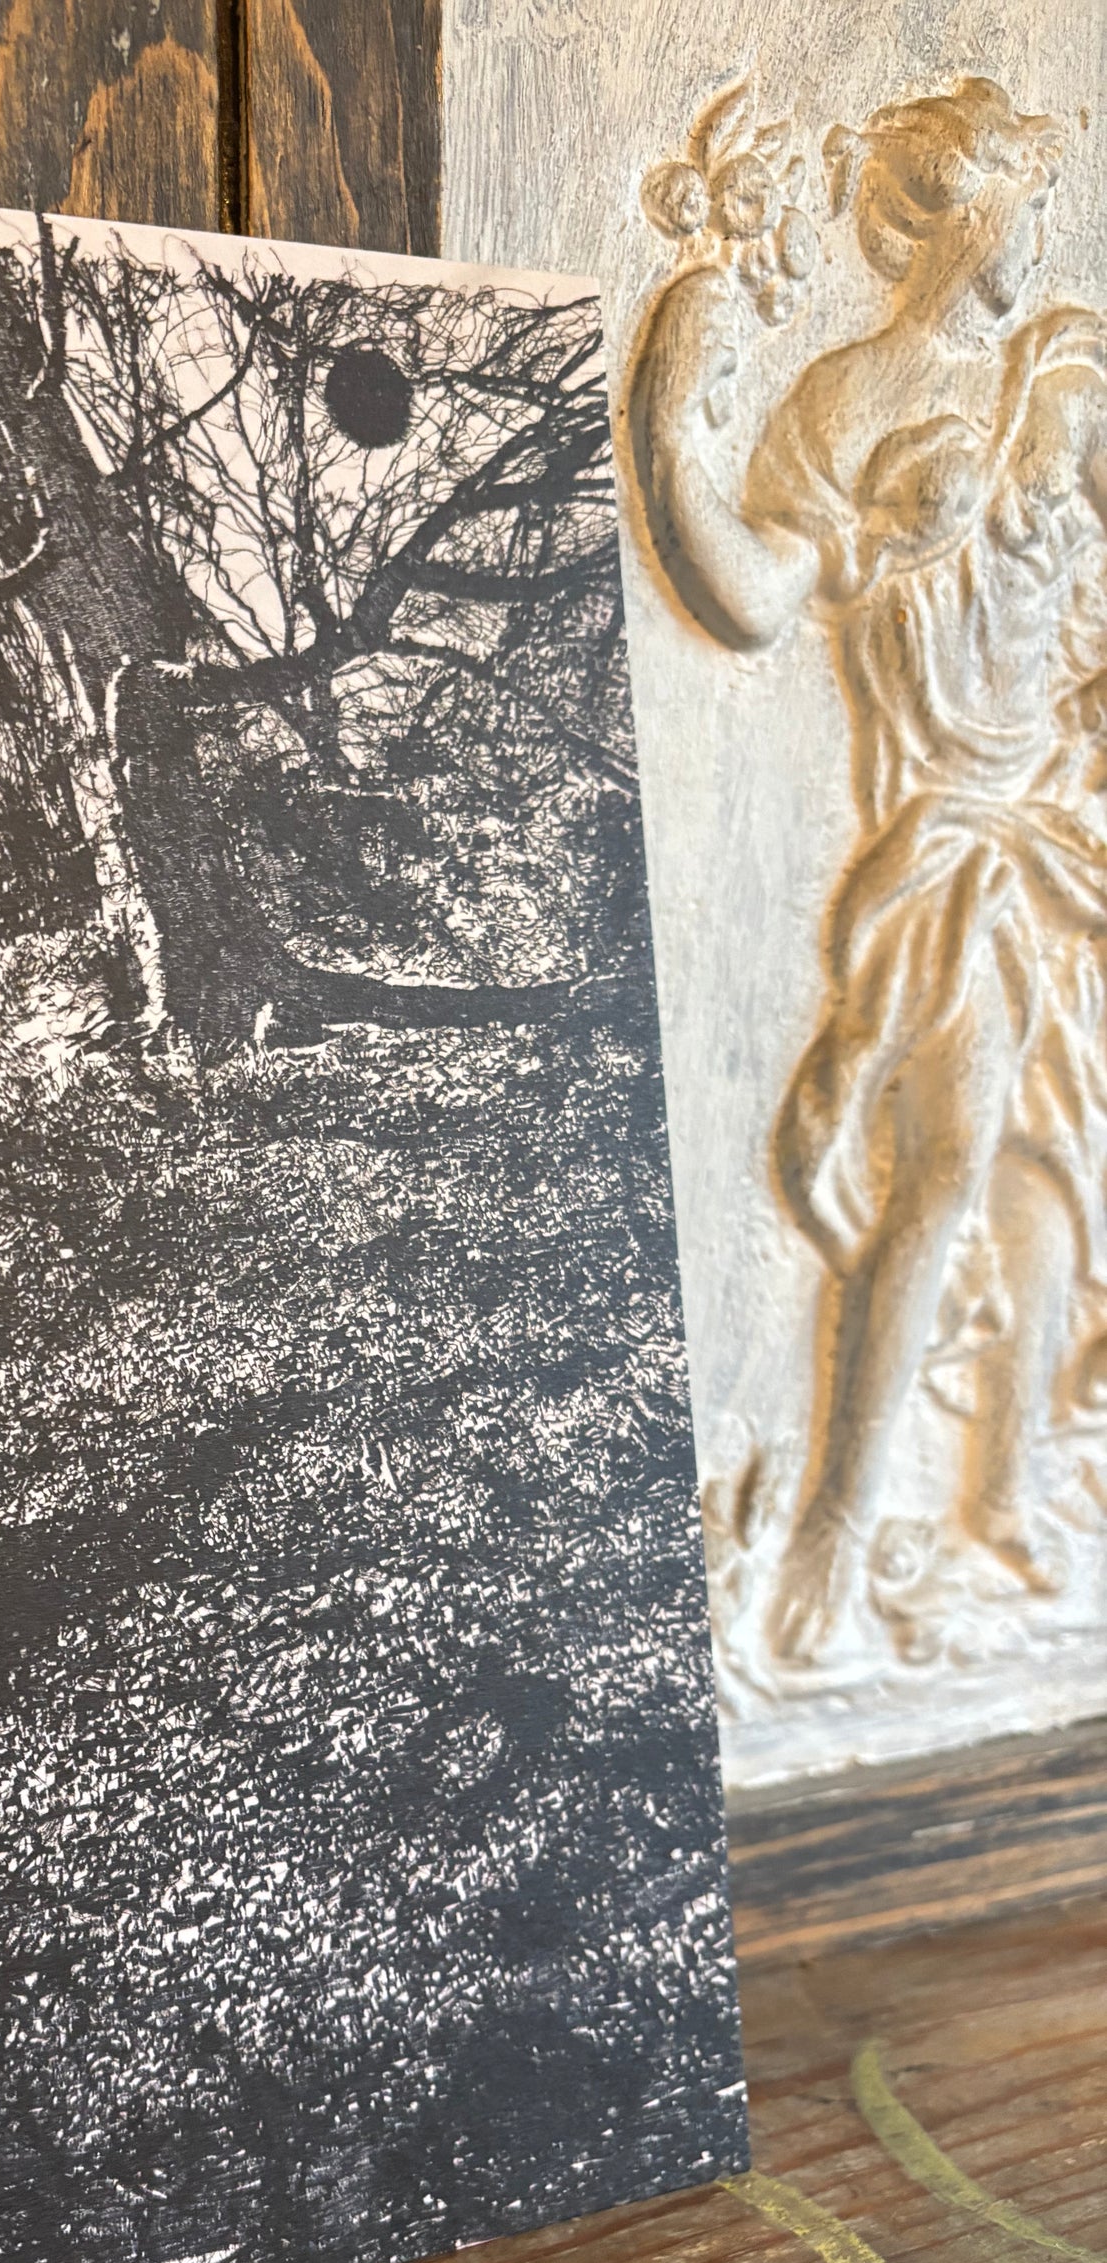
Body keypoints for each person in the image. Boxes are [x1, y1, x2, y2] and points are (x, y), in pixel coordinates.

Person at [628, 78, 1107, 1663]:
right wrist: (668, 427)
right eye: (1021, 205)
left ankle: (1005, 1503)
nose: (1037, 236)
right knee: (948, 1165)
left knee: (1047, 1172)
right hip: (942, 843)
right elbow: (754, 597)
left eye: (1048, 205)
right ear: (957, 215)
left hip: (1066, 830)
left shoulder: (1063, 370)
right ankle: (834, 1526)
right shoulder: (842, 401)